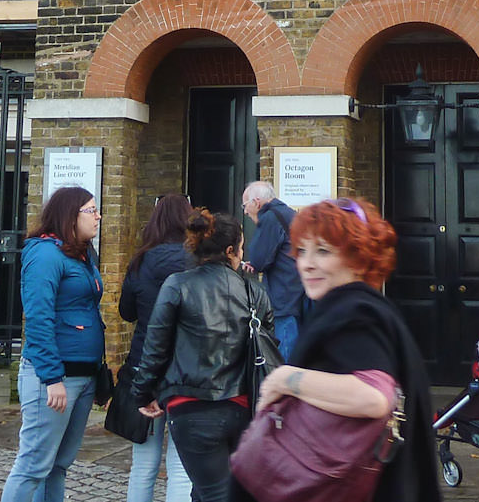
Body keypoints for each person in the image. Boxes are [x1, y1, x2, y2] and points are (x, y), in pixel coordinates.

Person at [253, 197, 440, 502]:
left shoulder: (353, 311)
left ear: (357, 257)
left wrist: (284, 379)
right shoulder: (370, 308)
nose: (307, 263)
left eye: (323, 251)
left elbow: (373, 397)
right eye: (302, 251)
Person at [130, 210, 266, 502]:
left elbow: (155, 347)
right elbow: (267, 348)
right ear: (230, 250)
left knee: (211, 492)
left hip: (190, 407)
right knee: (210, 492)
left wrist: (143, 393)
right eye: (241, 247)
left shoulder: (177, 285)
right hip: (242, 404)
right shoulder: (254, 293)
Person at [0, 186, 104, 502]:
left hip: (83, 374)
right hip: (55, 378)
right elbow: (38, 317)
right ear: (70, 215)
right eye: (91, 210)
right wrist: (51, 378)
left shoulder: (82, 253)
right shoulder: (45, 254)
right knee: (34, 465)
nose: (98, 216)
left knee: (58, 465)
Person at [119, 194, 195, 502]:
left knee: (143, 465)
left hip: (144, 366)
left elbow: (127, 312)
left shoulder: (141, 261)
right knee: (180, 467)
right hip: (185, 369)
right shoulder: (196, 262)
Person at [239, 181, 302, 353]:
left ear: (256, 202)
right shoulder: (288, 213)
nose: (245, 211)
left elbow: (259, 258)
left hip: (284, 297)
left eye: (245, 206)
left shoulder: (269, 218)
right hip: (298, 294)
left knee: (284, 357)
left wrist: (255, 263)